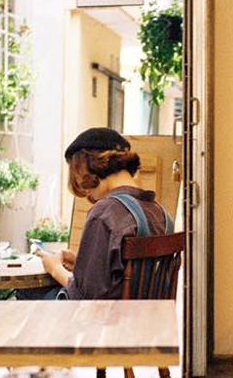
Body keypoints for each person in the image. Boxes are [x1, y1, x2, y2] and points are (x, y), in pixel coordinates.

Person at [35, 127, 173, 300]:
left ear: (86, 167)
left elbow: (87, 297)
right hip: (144, 320)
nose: (88, 195)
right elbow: (131, 276)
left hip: (105, 322)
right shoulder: (159, 213)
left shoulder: (104, 213)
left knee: (29, 294)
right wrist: (82, 263)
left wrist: (55, 268)